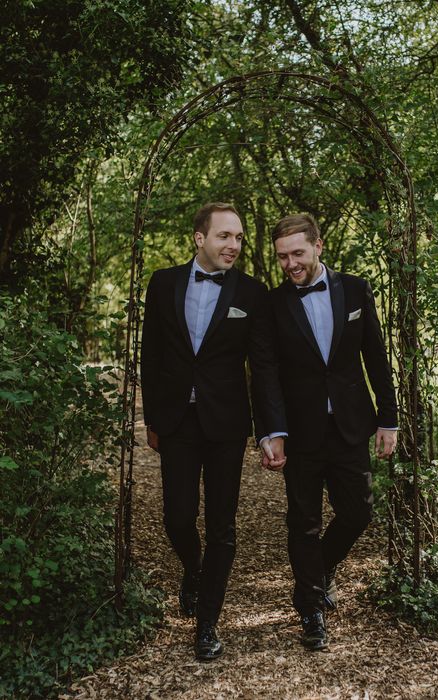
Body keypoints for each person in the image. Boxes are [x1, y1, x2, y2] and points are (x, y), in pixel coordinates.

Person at [141, 202, 286, 661]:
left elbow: (262, 366)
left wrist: (270, 430)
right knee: (177, 518)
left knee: (222, 525)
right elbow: (152, 353)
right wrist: (152, 416)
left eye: (239, 238)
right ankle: (193, 567)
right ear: (199, 238)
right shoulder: (163, 284)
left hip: (226, 424)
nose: (234, 245)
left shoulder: (252, 292)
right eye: (225, 236)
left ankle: (207, 623)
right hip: (177, 421)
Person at [265, 213, 398, 651]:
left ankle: (318, 572)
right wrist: (272, 431)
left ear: (318, 246)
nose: (290, 264)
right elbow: (265, 375)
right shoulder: (273, 303)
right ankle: (311, 609)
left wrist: (388, 418)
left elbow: (375, 356)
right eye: (283, 257)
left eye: (297, 253)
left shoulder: (356, 289)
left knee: (358, 513)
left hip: (349, 425)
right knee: (303, 522)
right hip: (301, 433)